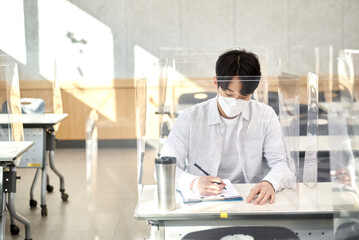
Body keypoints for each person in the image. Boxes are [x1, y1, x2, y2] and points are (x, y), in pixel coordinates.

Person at [160, 49, 296, 205]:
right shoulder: (190, 118)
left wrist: (270, 183)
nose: (235, 101)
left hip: (250, 199)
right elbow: (165, 169)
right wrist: (193, 182)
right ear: (216, 82)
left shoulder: (265, 115)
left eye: (244, 96)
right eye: (229, 94)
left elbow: (281, 164)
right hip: (203, 201)